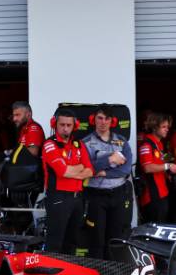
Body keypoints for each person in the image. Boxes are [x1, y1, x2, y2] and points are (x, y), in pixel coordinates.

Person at [83, 105, 134, 258]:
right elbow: (88, 168)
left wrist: (103, 171)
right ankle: (96, 274)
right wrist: (111, 159)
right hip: (96, 196)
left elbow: (125, 170)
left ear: (112, 121)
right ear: (94, 120)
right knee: (96, 238)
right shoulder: (85, 142)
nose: (103, 122)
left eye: (107, 118)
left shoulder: (122, 141)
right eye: (100, 118)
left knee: (116, 237)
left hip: (118, 194)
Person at [41, 108, 94, 254]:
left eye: (68, 125)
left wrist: (72, 170)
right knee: (55, 241)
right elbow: (62, 171)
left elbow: (89, 171)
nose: (65, 128)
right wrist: (79, 167)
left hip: (77, 199)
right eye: (62, 125)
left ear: (74, 126)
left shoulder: (78, 144)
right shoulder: (49, 144)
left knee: (72, 242)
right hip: (58, 197)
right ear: (54, 124)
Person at [136, 112, 176, 224]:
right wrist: (168, 165)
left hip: (162, 192)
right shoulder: (146, 144)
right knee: (154, 229)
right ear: (155, 128)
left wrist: (169, 173)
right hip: (152, 196)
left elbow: (161, 161)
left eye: (167, 127)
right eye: (163, 127)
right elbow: (147, 167)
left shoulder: (159, 144)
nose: (167, 129)